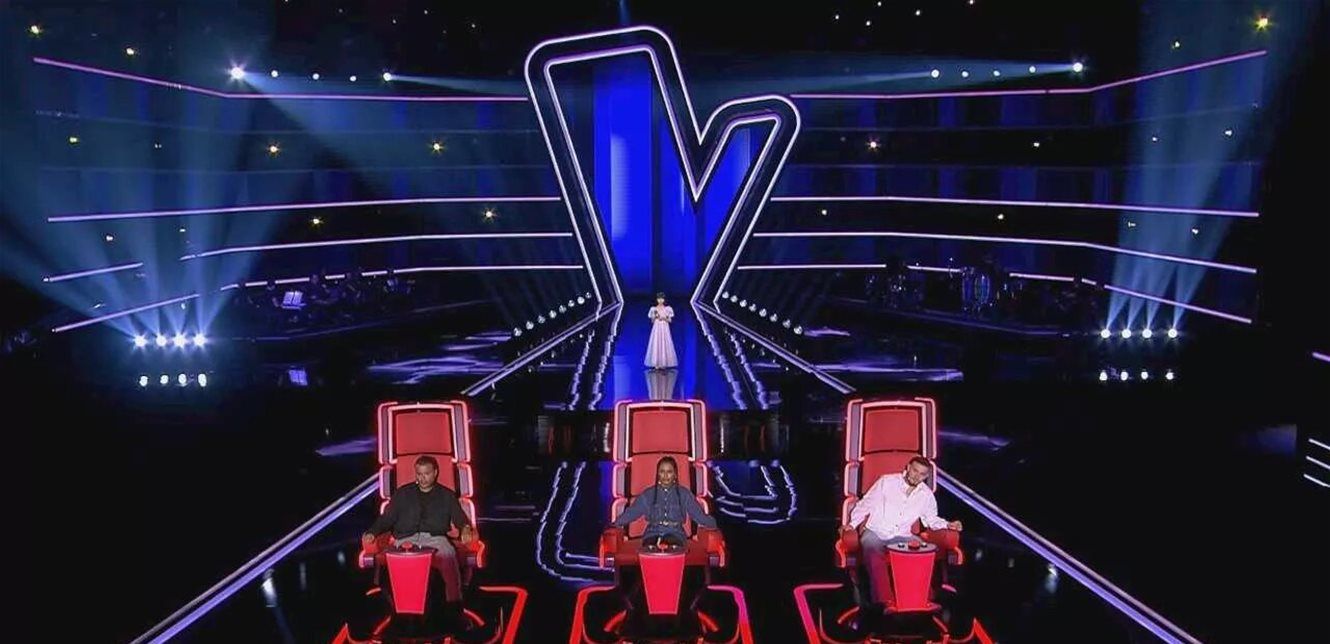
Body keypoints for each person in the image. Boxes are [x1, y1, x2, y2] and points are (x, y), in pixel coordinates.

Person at [843, 456, 962, 610]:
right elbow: (865, 504)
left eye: (921, 474)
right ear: (908, 468)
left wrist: (948, 524)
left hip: (902, 535)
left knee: (923, 550)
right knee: (871, 547)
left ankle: (923, 600)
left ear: (926, 476)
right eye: (915, 471)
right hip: (876, 532)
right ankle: (884, 601)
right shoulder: (887, 482)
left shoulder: (926, 495)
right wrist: (852, 524)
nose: (916, 476)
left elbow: (931, 520)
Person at [363, 455, 475, 604]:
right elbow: (387, 518)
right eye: (419, 474)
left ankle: (454, 603)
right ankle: (397, 604)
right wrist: (373, 532)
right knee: (390, 562)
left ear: (435, 472)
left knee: (448, 555)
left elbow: (460, 518)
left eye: (426, 474)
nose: (422, 478)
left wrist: (465, 529)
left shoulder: (447, 495)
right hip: (406, 539)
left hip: (436, 539)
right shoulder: (402, 493)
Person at [612, 456, 715, 549]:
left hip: (676, 534)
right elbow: (631, 513)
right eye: (662, 471)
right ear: (658, 474)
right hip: (652, 533)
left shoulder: (684, 494)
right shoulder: (648, 494)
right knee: (650, 550)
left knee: (672, 549)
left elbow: (698, 515)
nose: (665, 475)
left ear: (675, 474)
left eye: (669, 472)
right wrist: (615, 524)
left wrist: (713, 524)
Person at [645, 292, 677, 369]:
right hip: (657, 327)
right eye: (659, 299)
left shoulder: (667, 309)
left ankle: (664, 362)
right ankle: (656, 362)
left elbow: (670, 320)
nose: (660, 300)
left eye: (662, 299)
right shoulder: (654, 309)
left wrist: (664, 318)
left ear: (664, 299)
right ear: (657, 299)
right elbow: (652, 321)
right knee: (656, 342)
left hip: (664, 327)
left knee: (664, 342)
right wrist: (655, 317)